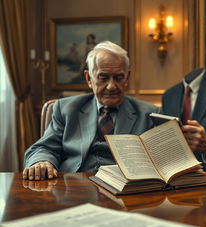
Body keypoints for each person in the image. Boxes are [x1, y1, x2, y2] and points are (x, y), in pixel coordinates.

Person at [23, 41, 159, 180]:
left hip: (125, 190)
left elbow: (162, 159)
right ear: (89, 78)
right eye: (103, 77)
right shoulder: (66, 109)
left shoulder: (149, 113)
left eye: (118, 77)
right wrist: (41, 162)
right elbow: (44, 148)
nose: (111, 86)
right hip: (74, 186)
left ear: (127, 77)